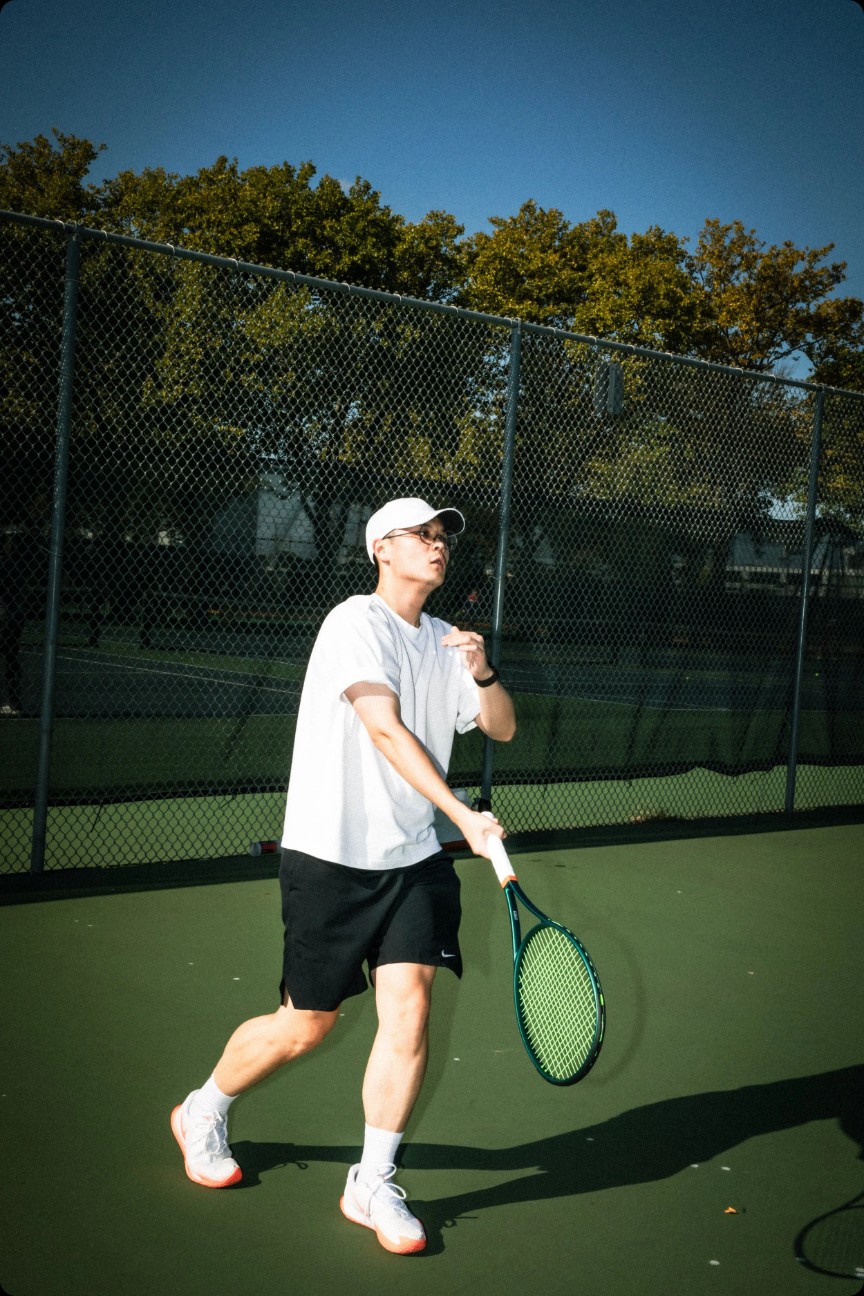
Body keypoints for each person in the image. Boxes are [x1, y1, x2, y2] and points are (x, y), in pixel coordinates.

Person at [171, 497, 516, 1255]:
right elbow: (385, 729)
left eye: (442, 537)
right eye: (422, 535)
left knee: (410, 1009)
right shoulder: (353, 623)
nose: (437, 546)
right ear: (381, 549)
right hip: (331, 854)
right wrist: (462, 814)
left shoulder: (444, 640)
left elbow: (500, 726)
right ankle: (204, 1107)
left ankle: (373, 1179)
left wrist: (482, 668)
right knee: (307, 1024)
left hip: (413, 857)